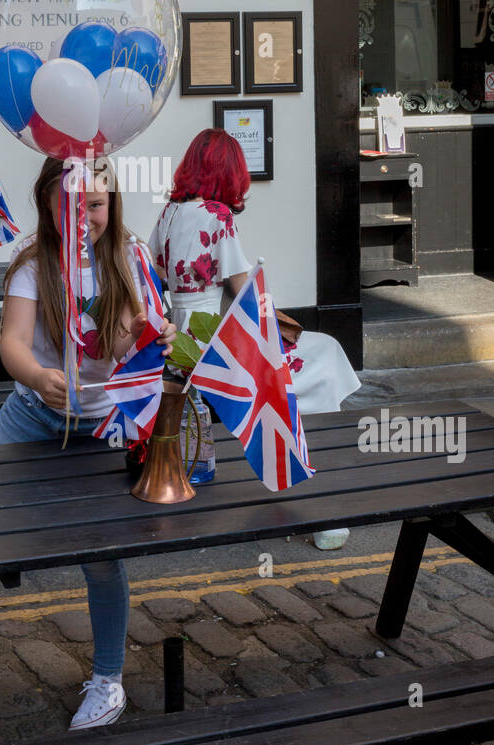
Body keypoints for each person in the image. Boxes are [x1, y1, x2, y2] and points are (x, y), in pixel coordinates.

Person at [0, 155, 176, 730]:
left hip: (105, 428)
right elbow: (12, 342)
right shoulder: (30, 265)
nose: (82, 213)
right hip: (32, 415)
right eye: (69, 202)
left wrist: (149, 333)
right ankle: (15, 552)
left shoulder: (128, 258)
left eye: (94, 202)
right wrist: (39, 377)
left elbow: (121, 349)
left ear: (111, 204)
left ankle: (108, 679)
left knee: (101, 557)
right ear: (46, 202)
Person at [149, 128, 361, 549]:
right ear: (228, 173)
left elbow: (155, 275)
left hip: (180, 337)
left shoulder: (169, 212)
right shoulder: (218, 216)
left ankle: (219, 468)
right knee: (316, 360)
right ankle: (313, 494)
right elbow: (246, 292)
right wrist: (280, 328)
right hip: (215, 340)